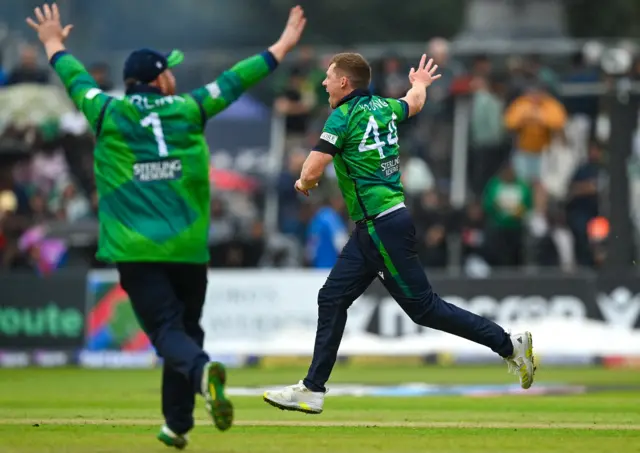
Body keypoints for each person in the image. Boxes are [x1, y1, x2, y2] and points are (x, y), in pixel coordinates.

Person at [26, 2, 307, 446]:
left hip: (136, 249)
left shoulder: (107, 111)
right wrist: (281, 46)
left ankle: (201, 373)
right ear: (160, 79)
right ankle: (177, 424)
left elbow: (75, 78)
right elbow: (234, 81)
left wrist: (53, 42)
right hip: (189, 249)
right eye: (169, 71)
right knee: (186, 331)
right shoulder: (190, 107)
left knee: (167, 334)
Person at [263, 52, 535, 415]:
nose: (324, 82)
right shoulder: (384, 107)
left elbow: (313, 167)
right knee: (331, 298)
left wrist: (302, 181)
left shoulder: (342, 116)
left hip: (381, 225)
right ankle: (313, 389)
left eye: (329, 77)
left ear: (345, 82)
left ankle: (508, 344)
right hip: (375, 227)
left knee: (424, 310)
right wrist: (419, 83)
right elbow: (414, 103)